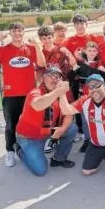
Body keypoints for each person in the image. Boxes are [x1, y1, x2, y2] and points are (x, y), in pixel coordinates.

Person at [0, 21, 46, 167]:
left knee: (32, 122)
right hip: (11, 94)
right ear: (10, 33)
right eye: (14, 31)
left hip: (30, 95)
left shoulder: (30, 48)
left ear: (23, 32)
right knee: (11, 125)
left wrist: (37, 45)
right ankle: (10, 151)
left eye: (20, 31)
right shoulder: (4, 49)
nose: (17, 34)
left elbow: (42, 64)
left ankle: (32, 146)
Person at [59, 74, 105, 185]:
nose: (94, 89)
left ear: (104, 86)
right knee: (86, 171)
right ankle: (104, 154)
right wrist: (62, 93)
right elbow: (66, 110)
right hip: (97, 142)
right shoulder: (85, 101)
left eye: (97, 85)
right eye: (91, 87)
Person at [15, 67, 77, 176]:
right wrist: (59, 91)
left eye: (57, 77)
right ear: (43, 78)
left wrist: (62, 129)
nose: (54, 79)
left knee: (72, 128)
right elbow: (38, 105)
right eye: (51, 76)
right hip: (30, 138)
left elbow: (69, 113)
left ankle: (59, 159)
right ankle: (20, 151)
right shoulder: (35, 92)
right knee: (41, 171)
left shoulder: (61, 94)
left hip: (47, 132)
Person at [62, 14, 105, 141]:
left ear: (87, 24)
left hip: (92, 80)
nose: (80, 26)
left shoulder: (93, 38)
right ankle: (81, 130)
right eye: (77, 24)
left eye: (82, 23)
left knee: (95, 106)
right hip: (77, 80)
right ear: (74, 26)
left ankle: (97, 131)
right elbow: (58, 46)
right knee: (78, 106)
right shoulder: (70, 40)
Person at [36, 25, 76, 153]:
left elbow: (71, 67)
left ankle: (57, 137)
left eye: (49, 37)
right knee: (48, 114)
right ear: (40, 39)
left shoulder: (61, 52)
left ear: (53, 37)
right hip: (47, 88)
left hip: (61, 87)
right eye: (43, 38)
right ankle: (50, 138)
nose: (47, 41)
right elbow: (38, 73)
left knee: (66, 112)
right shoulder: (39, 53)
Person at [68, 41, 105, 152]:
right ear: (85, 51)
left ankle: (103, 140)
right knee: (85, 121)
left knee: (99, 120)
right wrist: (73, 70)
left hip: (97, 97)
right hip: (83, 98)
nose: (92, 53)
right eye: (89, 50)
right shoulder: (80, 64)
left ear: (97, 52)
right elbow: (70, 77)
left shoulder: (100, 63)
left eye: (94, 51)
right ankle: (88, 140)